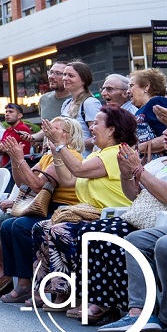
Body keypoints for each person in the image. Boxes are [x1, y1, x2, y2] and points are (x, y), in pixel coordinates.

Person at [0, 117, 87, 302]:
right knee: (8, 226)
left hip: (61, 208)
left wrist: (20, 159)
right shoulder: (47, 155)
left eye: (54, 128)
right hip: (43, 205)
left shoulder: (69, 155)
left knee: (20, 226)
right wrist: (16, 160)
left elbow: (37, 185)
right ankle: (22, 281)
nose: (47, 132)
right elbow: (23, 183)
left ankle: (27, 282)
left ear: (68, 135)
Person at [29, 104, 135, 307]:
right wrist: (57, 150)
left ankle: (82, 294)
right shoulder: (96, 154)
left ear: (111, 130)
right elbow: (69, 181)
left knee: (61, 230)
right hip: (88, 213)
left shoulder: (116, 152)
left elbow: (77, 169)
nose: (92, 128)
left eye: (96, 123)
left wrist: (60, 145)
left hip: (109, 216)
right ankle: (58, 290)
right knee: (41, 227)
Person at [97, 144, 167, 332]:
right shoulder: (158, 162)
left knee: (163, 244)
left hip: (157, 219)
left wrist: (139, 169)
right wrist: (126, 173)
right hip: (142, 217)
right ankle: (137, 313)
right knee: (134, 240)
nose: (166, 135)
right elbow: (133, 196)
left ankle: (163, 320)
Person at [60, 59, 101, 139]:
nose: (65, 78)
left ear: (83, 80)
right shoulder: (66, 103)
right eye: (64, 75)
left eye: (71, 76)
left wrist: (76, 144)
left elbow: (99, 137)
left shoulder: (90, 103)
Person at [130, 68, 167, 153]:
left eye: (131, 85)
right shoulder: (141, 109)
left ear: (146, 86)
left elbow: (164, 138)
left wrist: (138, 148)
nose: (128, 91)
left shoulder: (157, 102)